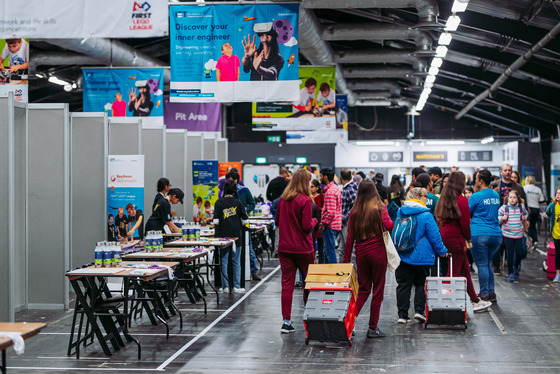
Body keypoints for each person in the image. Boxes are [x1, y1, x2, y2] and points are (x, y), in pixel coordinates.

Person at [343, 179, 394, 338]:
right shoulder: (379, 207)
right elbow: (388, 225)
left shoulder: (354, 211)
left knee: (364, 290)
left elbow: (349, 238)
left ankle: (348, 321)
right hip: (378, 253)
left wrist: (345, 262)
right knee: (378, 291)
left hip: (361, 254)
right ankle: (372, 328)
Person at [434, 172, 492, 312]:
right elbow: (465, 224)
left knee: (464, 269)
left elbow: (439, 219)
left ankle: (475, 301)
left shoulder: (443, 199)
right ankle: (442, 301)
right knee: (453, 273)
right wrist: (468, 239)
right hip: (457, 239)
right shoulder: (461, 200)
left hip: (445, 237)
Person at [395, 187, 448, 323]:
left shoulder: (400, 211)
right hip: (421, 256)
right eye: (426, 196)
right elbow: (435, 237)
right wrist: (442, 252)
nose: (427, 199)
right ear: (419, 196)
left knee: (403, 285)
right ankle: (419, 311)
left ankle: (402, 315)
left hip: (402, 254)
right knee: (420, 283)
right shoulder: (426, 215)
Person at [275, 170, 317, 333]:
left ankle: (286, 322)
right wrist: (315, 220)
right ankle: (310, 317)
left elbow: (277, 221)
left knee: (287, 285)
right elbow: (306, 226)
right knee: (309, 283)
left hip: (284, 249)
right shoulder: (305, 201)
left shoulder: (283, 200)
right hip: (303, 249)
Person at [469, 169, 502, 302]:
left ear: (481, 180)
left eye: (477, 178)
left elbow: (467, 213)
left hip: (480, 233)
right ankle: (491, 292)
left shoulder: (475, 196)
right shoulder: (496, 195)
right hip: (496, 234)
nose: (475, 181)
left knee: (482, 265)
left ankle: (484, 293)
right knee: (487, 264)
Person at [214, 180, 249, 294]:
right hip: (236, 237)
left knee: (223, 262)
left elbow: (216, 221)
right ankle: (236, 286)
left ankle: (225, 287)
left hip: (222, 237)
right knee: (236, 262)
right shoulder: (238, 203)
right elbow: (245, 221)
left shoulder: (219, 203)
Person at [492, 164, 525, 273]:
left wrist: (525, 219)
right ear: (501, 172)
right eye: (505, 170)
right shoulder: (494, 185)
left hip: (514, 220)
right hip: (498, 217)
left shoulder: (518, 187)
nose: (507, 172)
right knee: (497, 243)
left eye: (509, 170)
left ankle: (513, 266)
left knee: (512, 246)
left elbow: (524, 203)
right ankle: (496, 265)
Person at [230, 170, 261, 281]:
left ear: (236, 180)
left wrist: (244, 210)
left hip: (243, 222)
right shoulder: (226, 191)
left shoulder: (244, 190)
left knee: (249, 247)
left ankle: (254, 272)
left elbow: (252, 204)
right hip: (230, 223)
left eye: (231, 180)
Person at [498, 190, 529, 282]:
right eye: (510, 197)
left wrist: (524, 218)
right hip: (507, 234)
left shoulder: (521, 207)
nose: (512, 199)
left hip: (519, 233)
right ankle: (510, 273)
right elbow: (497, 218)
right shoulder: (504, 208)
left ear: (518, 199)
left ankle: (516, 266)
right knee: (510, 253)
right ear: (508, 198)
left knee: (520, 253)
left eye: (514, 197)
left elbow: (526, 214)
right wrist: (502, 218)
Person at [318, 168, 342, 264]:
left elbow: (331, 213)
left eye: (320, 176)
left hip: (330, 226)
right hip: (334, 225)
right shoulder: (334, 189)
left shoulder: (330, 192)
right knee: (327, 252)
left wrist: (323, 223)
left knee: (330, 254)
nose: (320, 178)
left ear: (325, 177)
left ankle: (332, 277)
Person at [340, 170, 358, 258]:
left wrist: (345, 216)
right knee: (342, 249)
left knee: (349, 250)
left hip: (347, 223)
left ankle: (353, 271)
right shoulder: (347, 188)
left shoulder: (350, 189)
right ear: (351, 177)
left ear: (340, 178)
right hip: (344, 224)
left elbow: (355, 204)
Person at [524, 176, 545, 249]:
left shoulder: (524, 188)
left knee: (528, 226)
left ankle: (530, 240)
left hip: (527, 208)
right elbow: (542, 200)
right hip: (536, 208)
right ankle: (535, 240)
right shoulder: (538, 189)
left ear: (528, 181)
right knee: (533, 225)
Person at [545, 188, 560, 282]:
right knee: (558, 254)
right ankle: (558, 274)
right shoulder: (553, 205)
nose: (558, 195)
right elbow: (547, 212)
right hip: (556, 233)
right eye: (557, 193)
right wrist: (552, 221)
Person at [310, 179, 324, 264]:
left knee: (321, 249)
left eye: (312, 187)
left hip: (320, 224)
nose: (310, 189)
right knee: (312, 249)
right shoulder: (308, 197)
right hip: (311, 225)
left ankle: (321, 266)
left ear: (317, 187)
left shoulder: (322, 197)